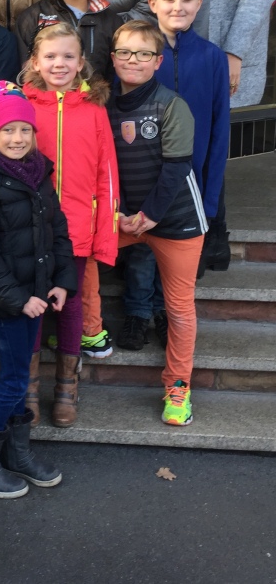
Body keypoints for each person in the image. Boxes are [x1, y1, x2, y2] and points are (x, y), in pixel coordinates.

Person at [0, 81, 76, 497]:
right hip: (8, 301)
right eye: (8, 130)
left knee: (22, 373)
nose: (17, 138)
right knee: (12, 380)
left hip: (37, 296)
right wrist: (16, 298)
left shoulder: (39, 173)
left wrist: (62, 282)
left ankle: (15, 453)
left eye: (24, 130)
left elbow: (57, 232)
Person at [118, 0, 231, 351]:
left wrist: (212, 198)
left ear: (199, 4)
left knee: (173, 250)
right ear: (152, 4)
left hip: (188, 177)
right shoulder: (140, 53)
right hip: (141, 173)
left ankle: (164, 311)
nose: (177, 6)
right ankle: (136, 312)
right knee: (140, 247)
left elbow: (219, 130)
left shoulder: (212, 57)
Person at [108, 21, 207, 426]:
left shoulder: (171, 105)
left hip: (175, 218)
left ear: (158, 61)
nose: (134, 60)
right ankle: (86, 333)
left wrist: (148, 217)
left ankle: (178, 388)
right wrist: (118, 215)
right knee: (76, 259)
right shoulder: (105, 107)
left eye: (144, 53)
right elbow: (104, 169)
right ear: (113, 58)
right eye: (125, 52)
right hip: (126, 218)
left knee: (180, 307)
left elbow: (176, 169)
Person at [20, 24, 119, 426]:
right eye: (50, 56)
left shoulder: (94, 110)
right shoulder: (22, 104)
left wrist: (104, 235)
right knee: (34, 304)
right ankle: (27, 387)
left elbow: (106, 173)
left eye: (67, 57)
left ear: (81, 63)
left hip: (77, 226)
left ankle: (66, 387)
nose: (58, 64)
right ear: (35, 62)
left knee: (71, 304)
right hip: (28, 226)